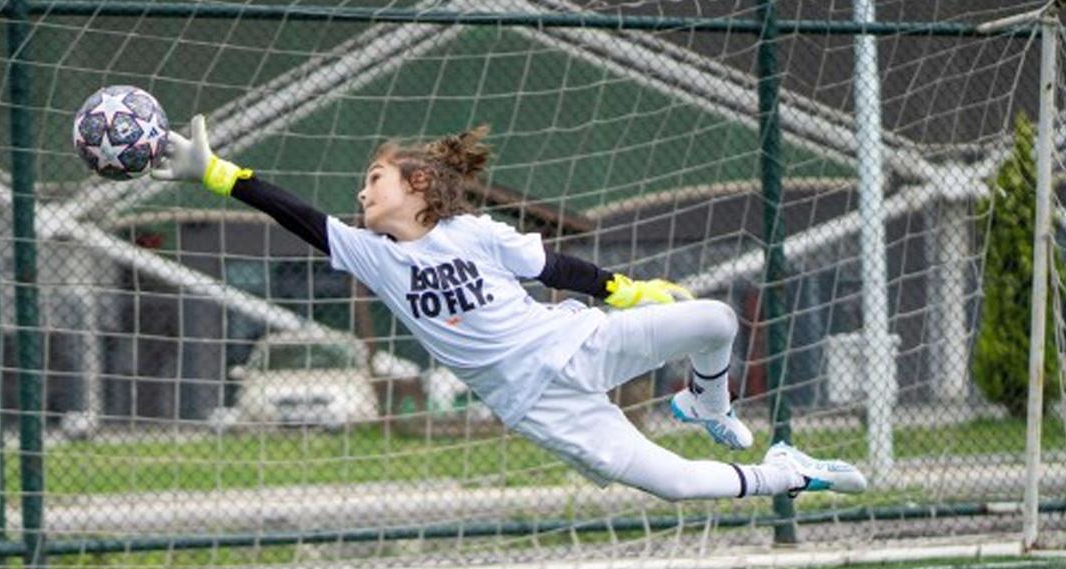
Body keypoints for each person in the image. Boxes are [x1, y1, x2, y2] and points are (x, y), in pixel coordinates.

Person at [153, 117, 867, 501]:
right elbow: (298, 214)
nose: (362, 191)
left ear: (421, 184)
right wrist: (213, 172)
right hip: (536, 405)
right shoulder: (372, 253)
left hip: (579, 343)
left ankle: (709, 406)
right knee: (674, 485)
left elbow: (556, 266)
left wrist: (632, 291)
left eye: (375, 179)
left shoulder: (476, 233)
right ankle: (788, 472)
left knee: (715, 320)